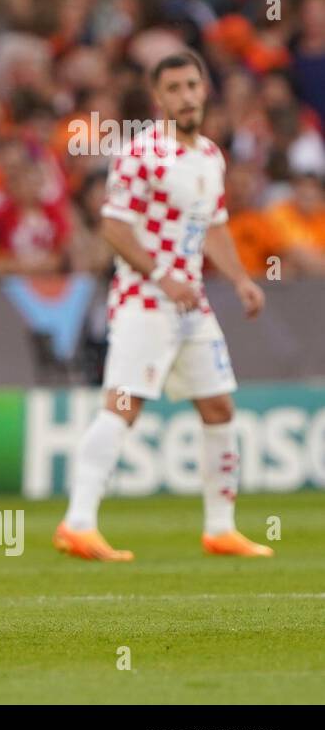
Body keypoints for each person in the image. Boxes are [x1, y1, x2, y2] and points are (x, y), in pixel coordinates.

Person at [55, 51, 272, 560]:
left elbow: (213, 227)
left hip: (190, 304)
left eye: (193, 85)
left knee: (219, 406)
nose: (186, 96)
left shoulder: (211, 157)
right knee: (124, 405)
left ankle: (220, 528)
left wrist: (241, 280)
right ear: (159, 98)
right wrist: (162, 276)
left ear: (204, 89)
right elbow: (113, 226)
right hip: (144, 300)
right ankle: (78, 522)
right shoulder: (141, 153)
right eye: (173, 88)